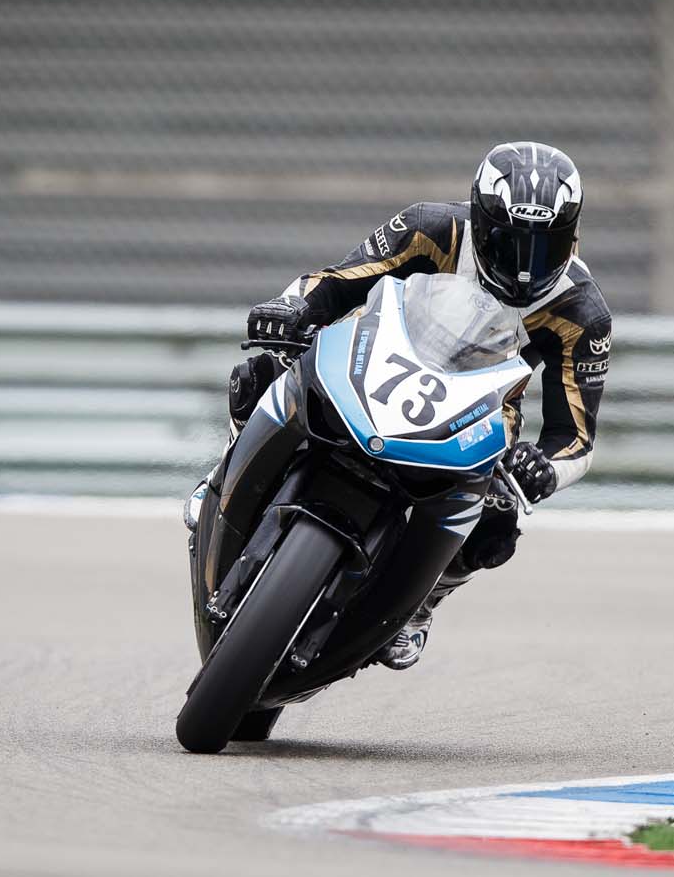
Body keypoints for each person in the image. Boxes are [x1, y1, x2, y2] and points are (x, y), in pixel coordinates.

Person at [236, 141, 612, 670]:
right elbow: (335, 282)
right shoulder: (428, 227)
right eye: (509, 244)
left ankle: (423, 602)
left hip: (477, 416)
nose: (526, 271)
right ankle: (227, 481)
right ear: (479, 224)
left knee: (496, 522)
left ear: (572, 238)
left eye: (544, 249)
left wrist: (543, 468)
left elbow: (575, 436)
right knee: (259, 374)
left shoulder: (583, 312)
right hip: (374, 361)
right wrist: (291, 306)